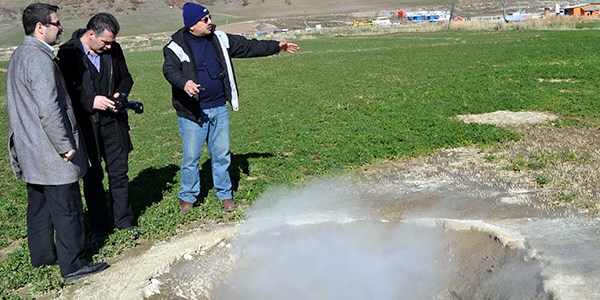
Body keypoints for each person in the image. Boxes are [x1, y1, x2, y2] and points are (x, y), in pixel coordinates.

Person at [163, 2, 299, 215]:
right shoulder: (175, 47)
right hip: (192, 113)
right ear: (191, 25)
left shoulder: (219, 38)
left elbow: (248, 46)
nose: (210, 22)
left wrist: (276, 46)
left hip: (218, 107)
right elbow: (170, 70)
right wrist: (184, 83)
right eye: (205, 20)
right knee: (191, 157)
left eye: (210, 18)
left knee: (222, 154)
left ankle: (225, 194)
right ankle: (187, 198)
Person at [6, 3, 108, 281]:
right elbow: (48, 107)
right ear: (40, 27)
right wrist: (64, 145)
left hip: (30, 148)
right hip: (50, 151)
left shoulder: (19, 54)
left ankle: (42, 257)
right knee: (68, 207)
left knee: (39, 205)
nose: (61, 27)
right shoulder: (38, 59)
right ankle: (73, 263)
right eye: (56, 23)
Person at [57, 12, 136, 243]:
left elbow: (126, 78)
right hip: (86, 127)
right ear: (91, 34)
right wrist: (91, 102)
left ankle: (124, 222)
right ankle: (100, 228)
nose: (110, 46)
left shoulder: (114, 50)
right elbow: (67, 92)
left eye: (112, 42)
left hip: (114, 124)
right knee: (93, 178)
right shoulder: (69, 53)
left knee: (119, 174)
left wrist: (120, 95)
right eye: (106, 42)